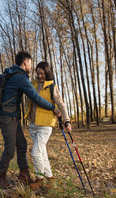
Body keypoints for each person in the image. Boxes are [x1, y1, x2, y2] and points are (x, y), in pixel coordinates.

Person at [0, 51, 61, 188]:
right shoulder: (20, 77)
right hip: (6, 117)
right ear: (25, 63)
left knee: (22, 144)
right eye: (30, 63)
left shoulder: (13, 74)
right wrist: (52, 108)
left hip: (12, 117)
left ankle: (24, 174)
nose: (31, 66)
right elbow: (35, 97)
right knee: (9, 149)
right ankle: (1, 177)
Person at [24, 61, 72, 190]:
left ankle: (40, 179)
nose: (39, 76)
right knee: (42, 153)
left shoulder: (52, 87)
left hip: (45, 125)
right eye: (38, 73)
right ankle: (50, 178)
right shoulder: (32, 84)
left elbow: (61, 105)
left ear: (47, 73)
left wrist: (66, 120)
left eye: (42, 73)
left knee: (35, 153)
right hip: (33, 124)